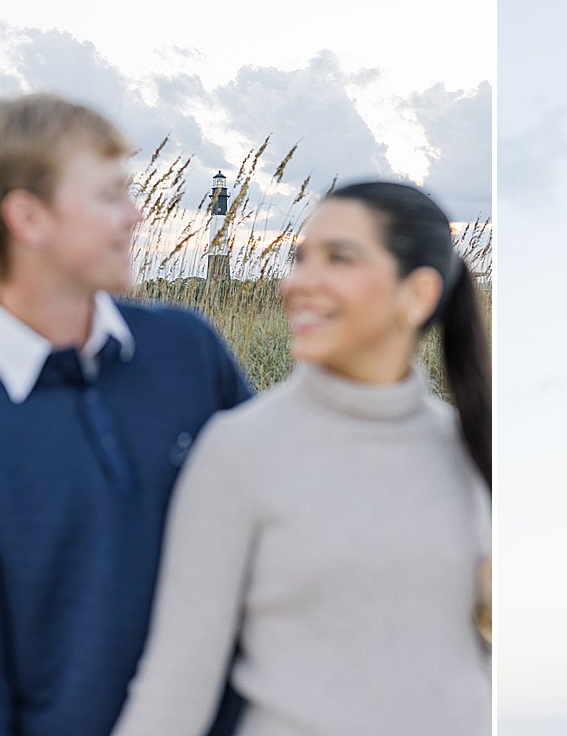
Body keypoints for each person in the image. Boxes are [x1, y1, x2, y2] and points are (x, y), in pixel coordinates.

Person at [112, 180, 492, 736]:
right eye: (299, 257)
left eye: (338, 258)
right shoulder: (239, 449)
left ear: (417, 295)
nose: (298, 284)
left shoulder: (471, 446)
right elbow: (176, 684)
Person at [0, 94, 252, 735]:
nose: (135, 216)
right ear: (28, 216)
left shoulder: (188, 350)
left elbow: (290, 513)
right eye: (109, 195)